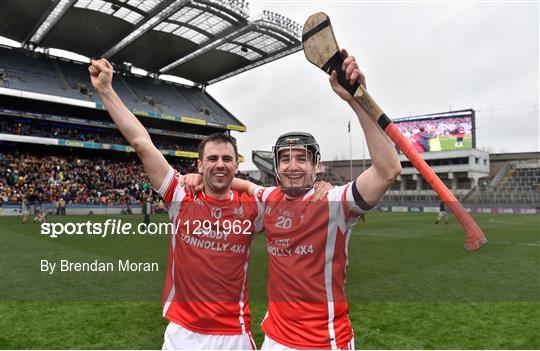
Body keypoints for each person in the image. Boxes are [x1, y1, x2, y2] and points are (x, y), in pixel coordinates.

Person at [88, 57, 332, 350]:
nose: (220, 165)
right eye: (212, 159)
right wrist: (106, 90)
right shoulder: (180, 197)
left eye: (227, 159)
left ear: (236, 166)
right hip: (182, 335)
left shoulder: (255, 210)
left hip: (234, 336)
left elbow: (295, 201)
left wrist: (320, 187)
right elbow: (142, 142)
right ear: (200, 166)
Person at [183, 49, 401, 349]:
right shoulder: (269, 197)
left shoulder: (334, 202)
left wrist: (357, 100)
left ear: (317, 166)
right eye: (285, 159)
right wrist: (196, 178)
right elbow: (245, 185)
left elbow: (388, 170)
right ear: (276, 167)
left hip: (323, 343)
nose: (293, 166)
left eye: (301, 159)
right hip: (274, 339)